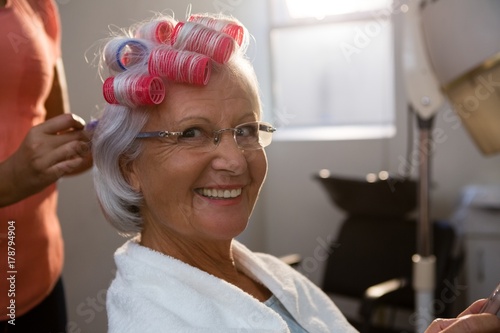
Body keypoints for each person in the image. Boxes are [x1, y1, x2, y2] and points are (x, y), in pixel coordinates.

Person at [90, 11, 500, 333]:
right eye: (192, 132)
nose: (235, 161)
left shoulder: (269, 275)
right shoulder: (153, 322)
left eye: (247, 130)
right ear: (131, 170)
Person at [0, 0, 92, 332]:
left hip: (41, 274)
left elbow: (63, 138)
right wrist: (11, 178)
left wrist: (114, 137)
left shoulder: (40, 8)